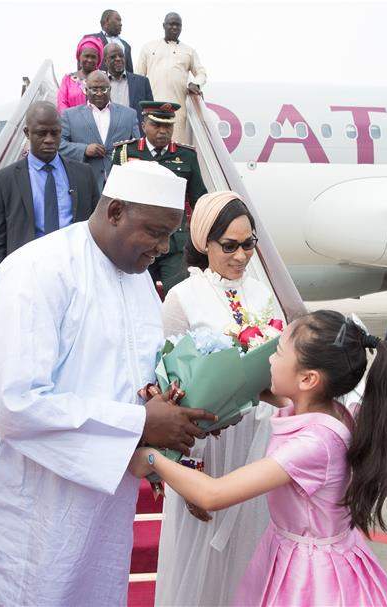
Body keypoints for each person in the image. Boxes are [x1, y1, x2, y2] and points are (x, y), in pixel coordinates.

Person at [0, 161, 218, 606]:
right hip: (34, 500)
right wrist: (139, 422)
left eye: (170, 235)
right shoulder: (37, 271)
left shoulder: (139, 281)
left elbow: (133, 379)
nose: (163, 248)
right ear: (116, 211)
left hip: (103, 491)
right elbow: (13, 404)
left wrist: (175, 407)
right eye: (155, 232)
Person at [130, 311, 387, 606]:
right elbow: (280, 398)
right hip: (308, 551)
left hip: (312, 576)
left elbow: (214, 494)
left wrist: (151, 459)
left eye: (277, 352)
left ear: (308, 378)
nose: (270, 360)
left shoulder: (314, 444)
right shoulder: (326, 410)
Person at [154, 191, 282, 606]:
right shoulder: (182, 297)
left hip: (258, 445)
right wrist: (187, 471)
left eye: (249, 244)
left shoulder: (263, 294)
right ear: (203, 243)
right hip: (205, 446)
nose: (241, 256)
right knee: (201, 566)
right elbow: (171, 384)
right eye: (229, 245)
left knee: (251, 556)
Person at [0, 101, 99, 281]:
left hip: (77, 274)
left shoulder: (83, 174)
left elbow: (97, 228)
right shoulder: (4, 180)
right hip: (27, 276)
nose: (49, 140)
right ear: (27, 133)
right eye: (41, 133)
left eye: (55, 133)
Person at [112, 101, 207, 293]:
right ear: (144, 126)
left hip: (174, 244)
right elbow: (113, 197)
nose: (163, 131)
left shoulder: (186, 156)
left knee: (179, 296)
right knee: (135, 297)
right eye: (157, 125)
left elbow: (199, 199)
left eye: (168, 126)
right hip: (136, 241)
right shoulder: (125, 153)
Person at [59, 70, 139, 194]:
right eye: (94, 89)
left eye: (104, 89)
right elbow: (59, 145)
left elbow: (138, 147)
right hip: (84, 186)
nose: (100, 93)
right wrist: (84, 150)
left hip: (121, 186)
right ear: (86, 90)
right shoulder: (69, 115)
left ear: (110, 89)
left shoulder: (129, 114)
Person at [136, 12, 207, 145]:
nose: (174, 28)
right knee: (151, 148)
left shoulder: (189, 51)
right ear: (164, 25)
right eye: (171, 24)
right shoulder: (149, 47)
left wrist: (195, 84)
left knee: (176, 149)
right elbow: (138, 77)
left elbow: (201, 73)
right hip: (152, 108)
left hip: (177, 111)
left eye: (178, 25)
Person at [104, 42, 154, 134]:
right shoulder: (99, 84)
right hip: (108, 136)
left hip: (136, 137)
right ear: (105, 61)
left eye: (121, 56)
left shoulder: (142, 82)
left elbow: (150, 113)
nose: (118, 59)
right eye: (113, 57)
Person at [57, 35, 104, 112]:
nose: (89, 60)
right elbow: (62, 103)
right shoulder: (68, 79)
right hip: (71, 122)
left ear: (98, 59)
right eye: (86, 56)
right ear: (79, 57)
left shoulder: (103, 78)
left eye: (93, 57)